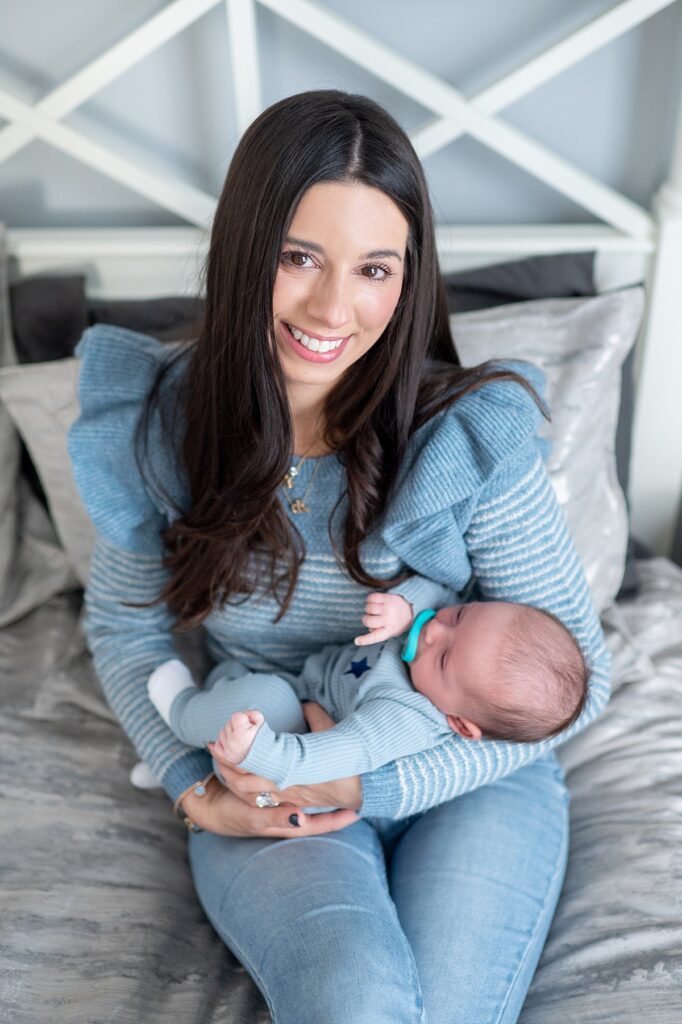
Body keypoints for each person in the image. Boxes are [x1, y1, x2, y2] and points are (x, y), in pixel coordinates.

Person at [68, 90, 611, 1023]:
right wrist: (194, 789)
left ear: (408, 279)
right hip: (265, 760)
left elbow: (581, 683)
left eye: (374, 269)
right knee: (354, 1001)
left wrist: (371, 780)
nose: (332, 307)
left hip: (470, 771)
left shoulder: (463, 437)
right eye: (298, 257)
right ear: (244, 251)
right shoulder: (158, 426)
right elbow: (127, 627)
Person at [147, 580, 587, 790]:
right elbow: (440, 594)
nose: (433, 630)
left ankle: (181, 712)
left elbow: (340, 753)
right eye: (459, 617)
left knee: (264, 699)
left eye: (444, 657)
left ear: (459, 723)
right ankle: (201, 755)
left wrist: (262, 753)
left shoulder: (404, 719)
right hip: (301, 683)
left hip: (298, 743)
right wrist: (404, 607)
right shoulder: (444, 642)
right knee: (241, 683)